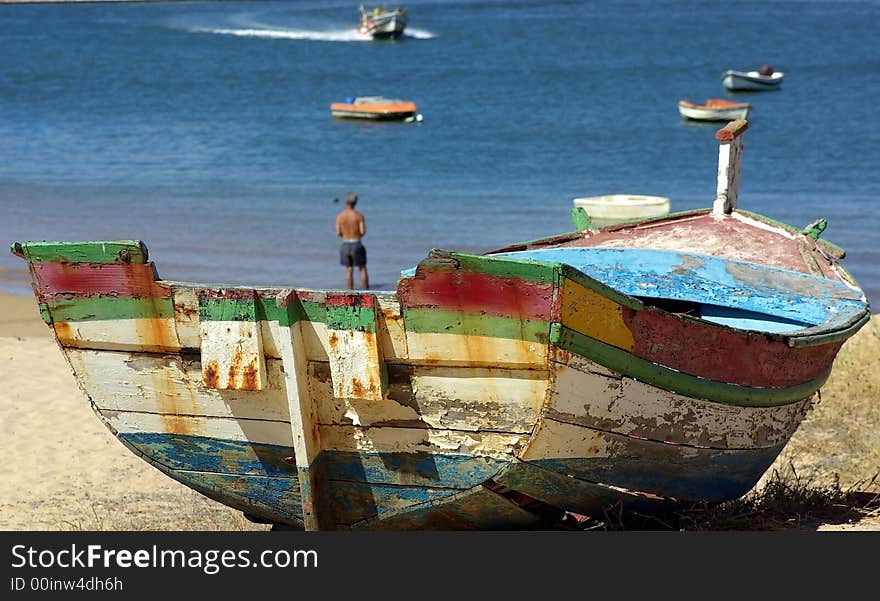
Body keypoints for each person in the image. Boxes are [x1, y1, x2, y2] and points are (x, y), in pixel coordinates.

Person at [335, 192, 369, 290]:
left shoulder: (340, 216)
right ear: (355, 203)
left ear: (346, 202)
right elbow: (363, 231)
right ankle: (367, 291)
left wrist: (345, 235)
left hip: (345, 244)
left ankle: (350, 292)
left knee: (349, 270)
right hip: (357, 243)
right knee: (362, 268)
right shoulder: (359, 216)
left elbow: (338, 232)